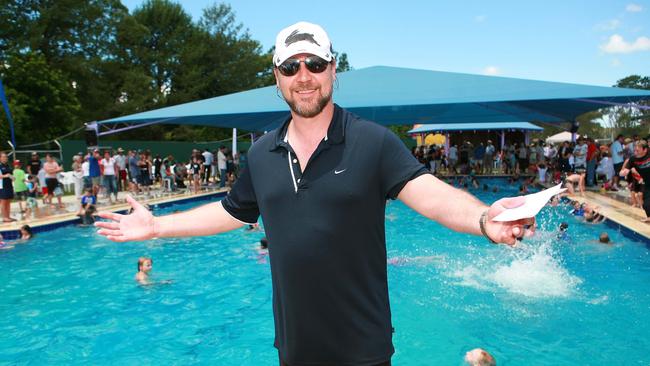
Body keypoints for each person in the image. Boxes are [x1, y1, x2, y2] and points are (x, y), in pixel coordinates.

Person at [97, 21, 534, 366]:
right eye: (291, 67)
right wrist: (156, 225)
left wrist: (483, 220)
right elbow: (233, 212)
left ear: (332, 70)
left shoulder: (372, 142)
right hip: (294, 347)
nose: (303, 77)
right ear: (277, 77)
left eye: (314, 64)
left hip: (363, 346)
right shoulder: (262, 153)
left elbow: (432, 195)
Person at [620, 140, 650, 222]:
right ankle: (649, 217)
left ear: (645, 150)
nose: (635, 152)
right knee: (646, 204)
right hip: (647, 183)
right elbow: (624, 170)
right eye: (635, 150)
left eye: (638, 150)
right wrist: (623, 172)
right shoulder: (633, 159)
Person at [0, 152, 15, 222]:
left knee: (8, 201)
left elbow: (11, 175)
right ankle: (4, 217)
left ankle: (8, 216)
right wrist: (6, 175)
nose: (5, 158)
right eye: (3, 157)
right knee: (3, 202)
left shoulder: (8, 165)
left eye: (6, 157)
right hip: (2, 186)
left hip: (9, 185)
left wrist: (12, 177)